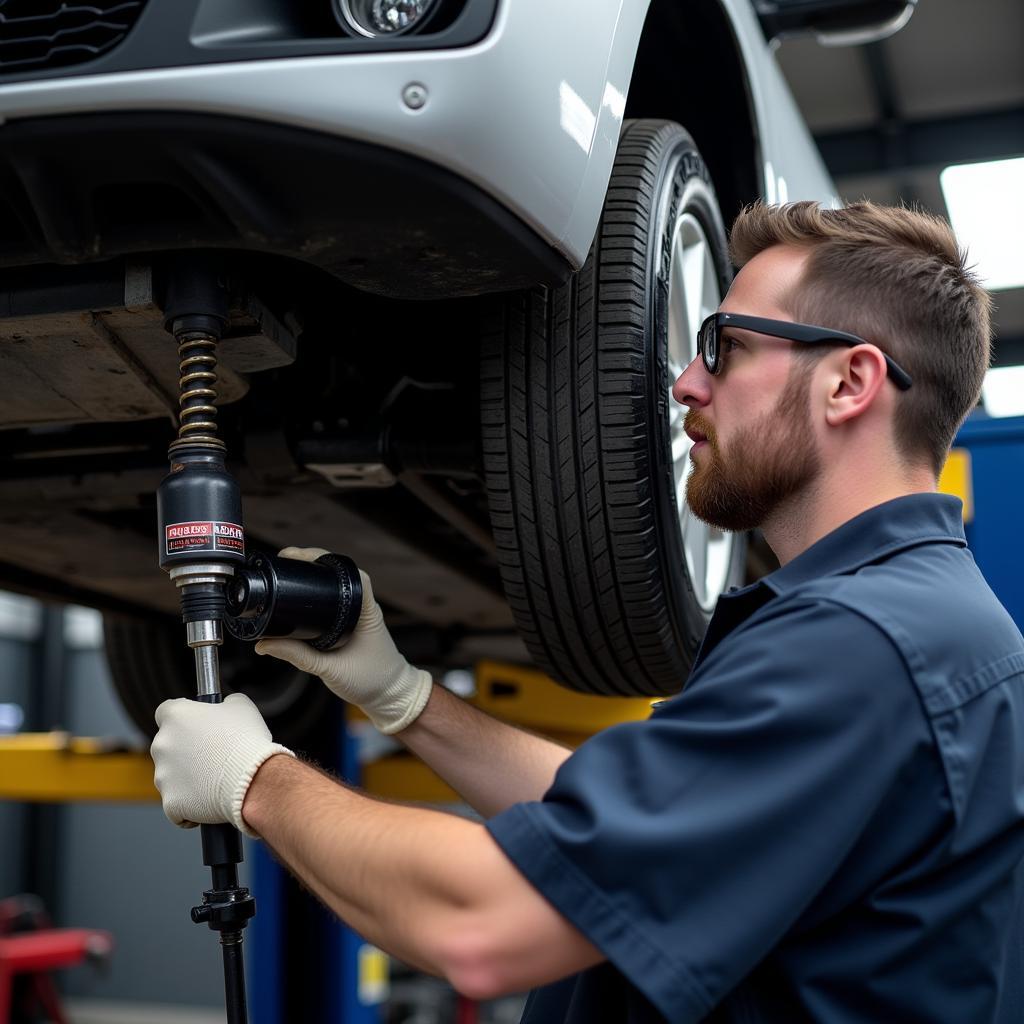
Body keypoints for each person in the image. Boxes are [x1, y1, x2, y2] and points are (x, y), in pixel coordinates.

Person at [151, 200, 1024, 1023]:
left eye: (723, 347)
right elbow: (626, 839)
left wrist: (254, 780)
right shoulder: (912, 623)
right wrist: (403, 697)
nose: (685, 382)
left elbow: (483, 923)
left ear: (848, 383)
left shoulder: (863, 646)